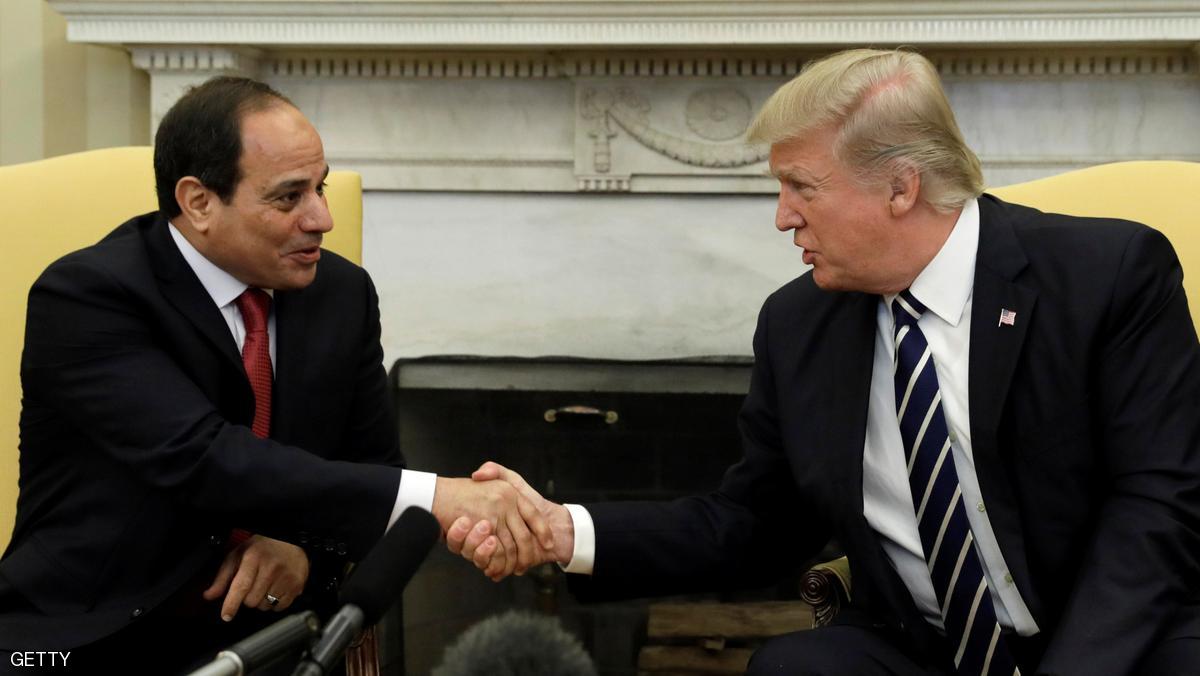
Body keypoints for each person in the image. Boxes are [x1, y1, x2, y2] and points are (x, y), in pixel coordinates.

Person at [449, 49, 1200, 675]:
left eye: (801, 187)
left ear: (901, 187)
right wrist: (560, 533)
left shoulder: (1107, 275)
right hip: (927, 649)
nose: (782, 216)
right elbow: (750, 525)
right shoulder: (800, 324)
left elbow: (1158, 505)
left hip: (1114, 639)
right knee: (794, 668)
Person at [0, 76, 550, 673]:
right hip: (86, 638)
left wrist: (307, 552)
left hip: (274, 637)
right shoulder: (88, 296)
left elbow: (372, 474)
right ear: (199, 202)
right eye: (289, 198)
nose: (322, 219)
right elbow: (204, 459)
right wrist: (442, 496)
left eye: (321, 187)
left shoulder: (341, 293)